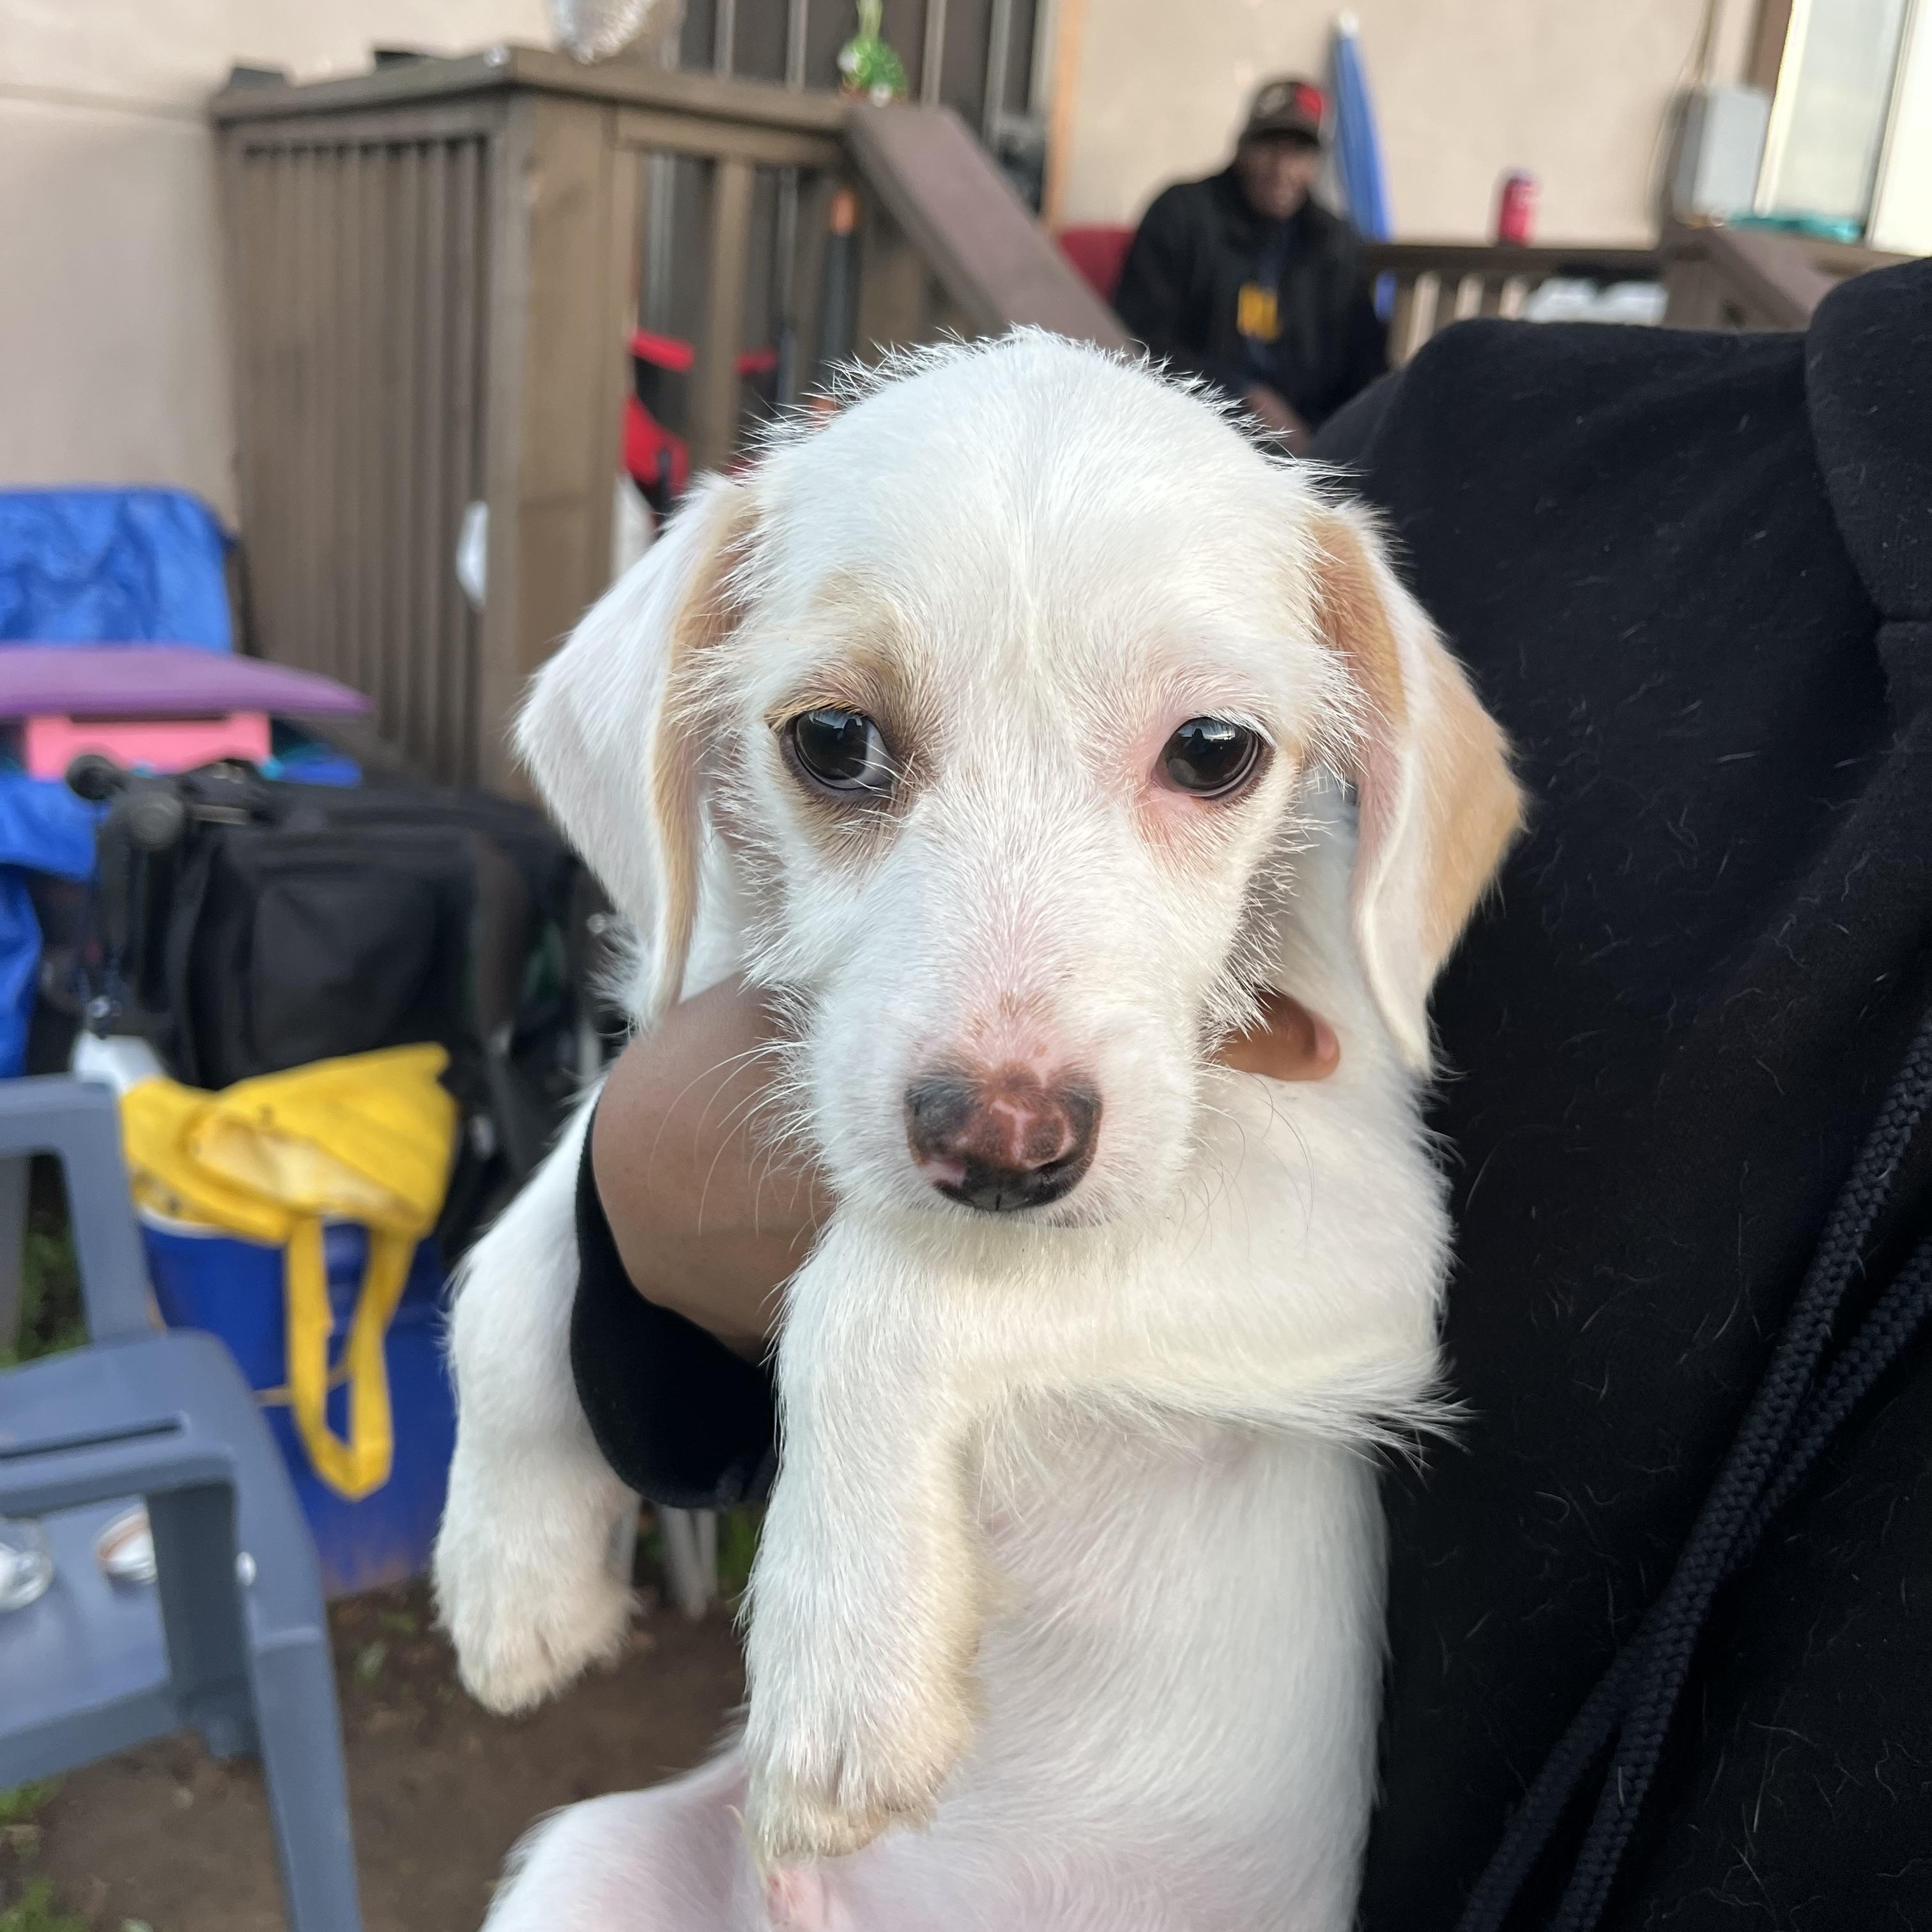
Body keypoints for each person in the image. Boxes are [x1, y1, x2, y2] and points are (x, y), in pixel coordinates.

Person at [572, 255, 1932, 1928]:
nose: (1009, 1082)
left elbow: (1358, 1268)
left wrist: (898, 1325)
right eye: (846, 752)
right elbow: (671, 1221)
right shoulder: (1500, 452)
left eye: (1208, 758)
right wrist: (623, 1208)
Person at [1112, 76, 1389, 452]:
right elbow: (1135, 338)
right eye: (1268, 146)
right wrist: (1242, 394)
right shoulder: (1181, 215)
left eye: (1299, 153)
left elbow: (1365, 366)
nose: (1282, 169)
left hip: (1308, 450)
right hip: (1187, 432)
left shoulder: (1334, 243)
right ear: (1241, 147)